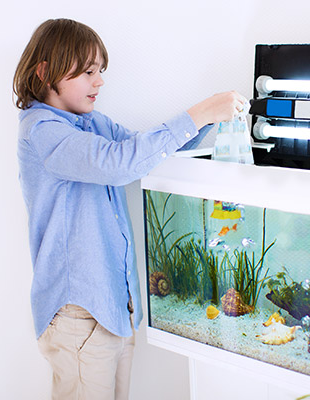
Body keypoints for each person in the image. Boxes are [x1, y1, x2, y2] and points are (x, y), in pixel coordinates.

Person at [13, 18, 246, 400]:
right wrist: (199, 112)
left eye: (100, 71)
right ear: (45, 71)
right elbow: (119, 164)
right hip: (78, 314)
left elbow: (147, 153)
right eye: (88, 71)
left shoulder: (93, 124)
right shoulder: (42, 130)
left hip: (114, 308)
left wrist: (209, 122)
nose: (99, 82)